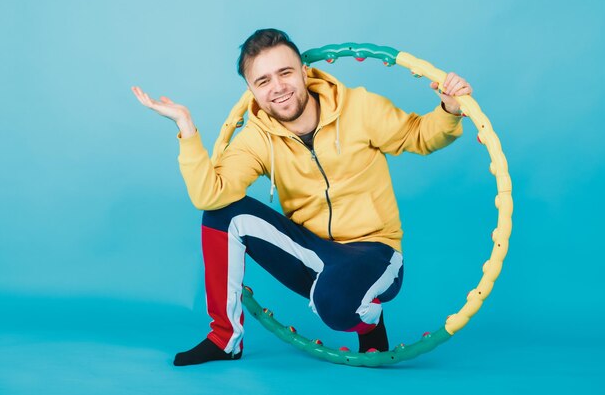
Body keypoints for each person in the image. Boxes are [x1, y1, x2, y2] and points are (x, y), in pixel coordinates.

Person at [131, 28, 472, 366]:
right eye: (263, 81)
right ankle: (225, 339)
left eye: (285, 73)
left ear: (305, 72)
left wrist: (449, 107)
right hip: (312, 254)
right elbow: (210, 194)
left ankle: (369, 324)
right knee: (222, 214)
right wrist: (186, 129)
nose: (277, 87)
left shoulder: (358, 107)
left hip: (374, 251)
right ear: (251, 91)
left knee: (336, 304)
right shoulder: (257, 138)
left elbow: (420, 136)